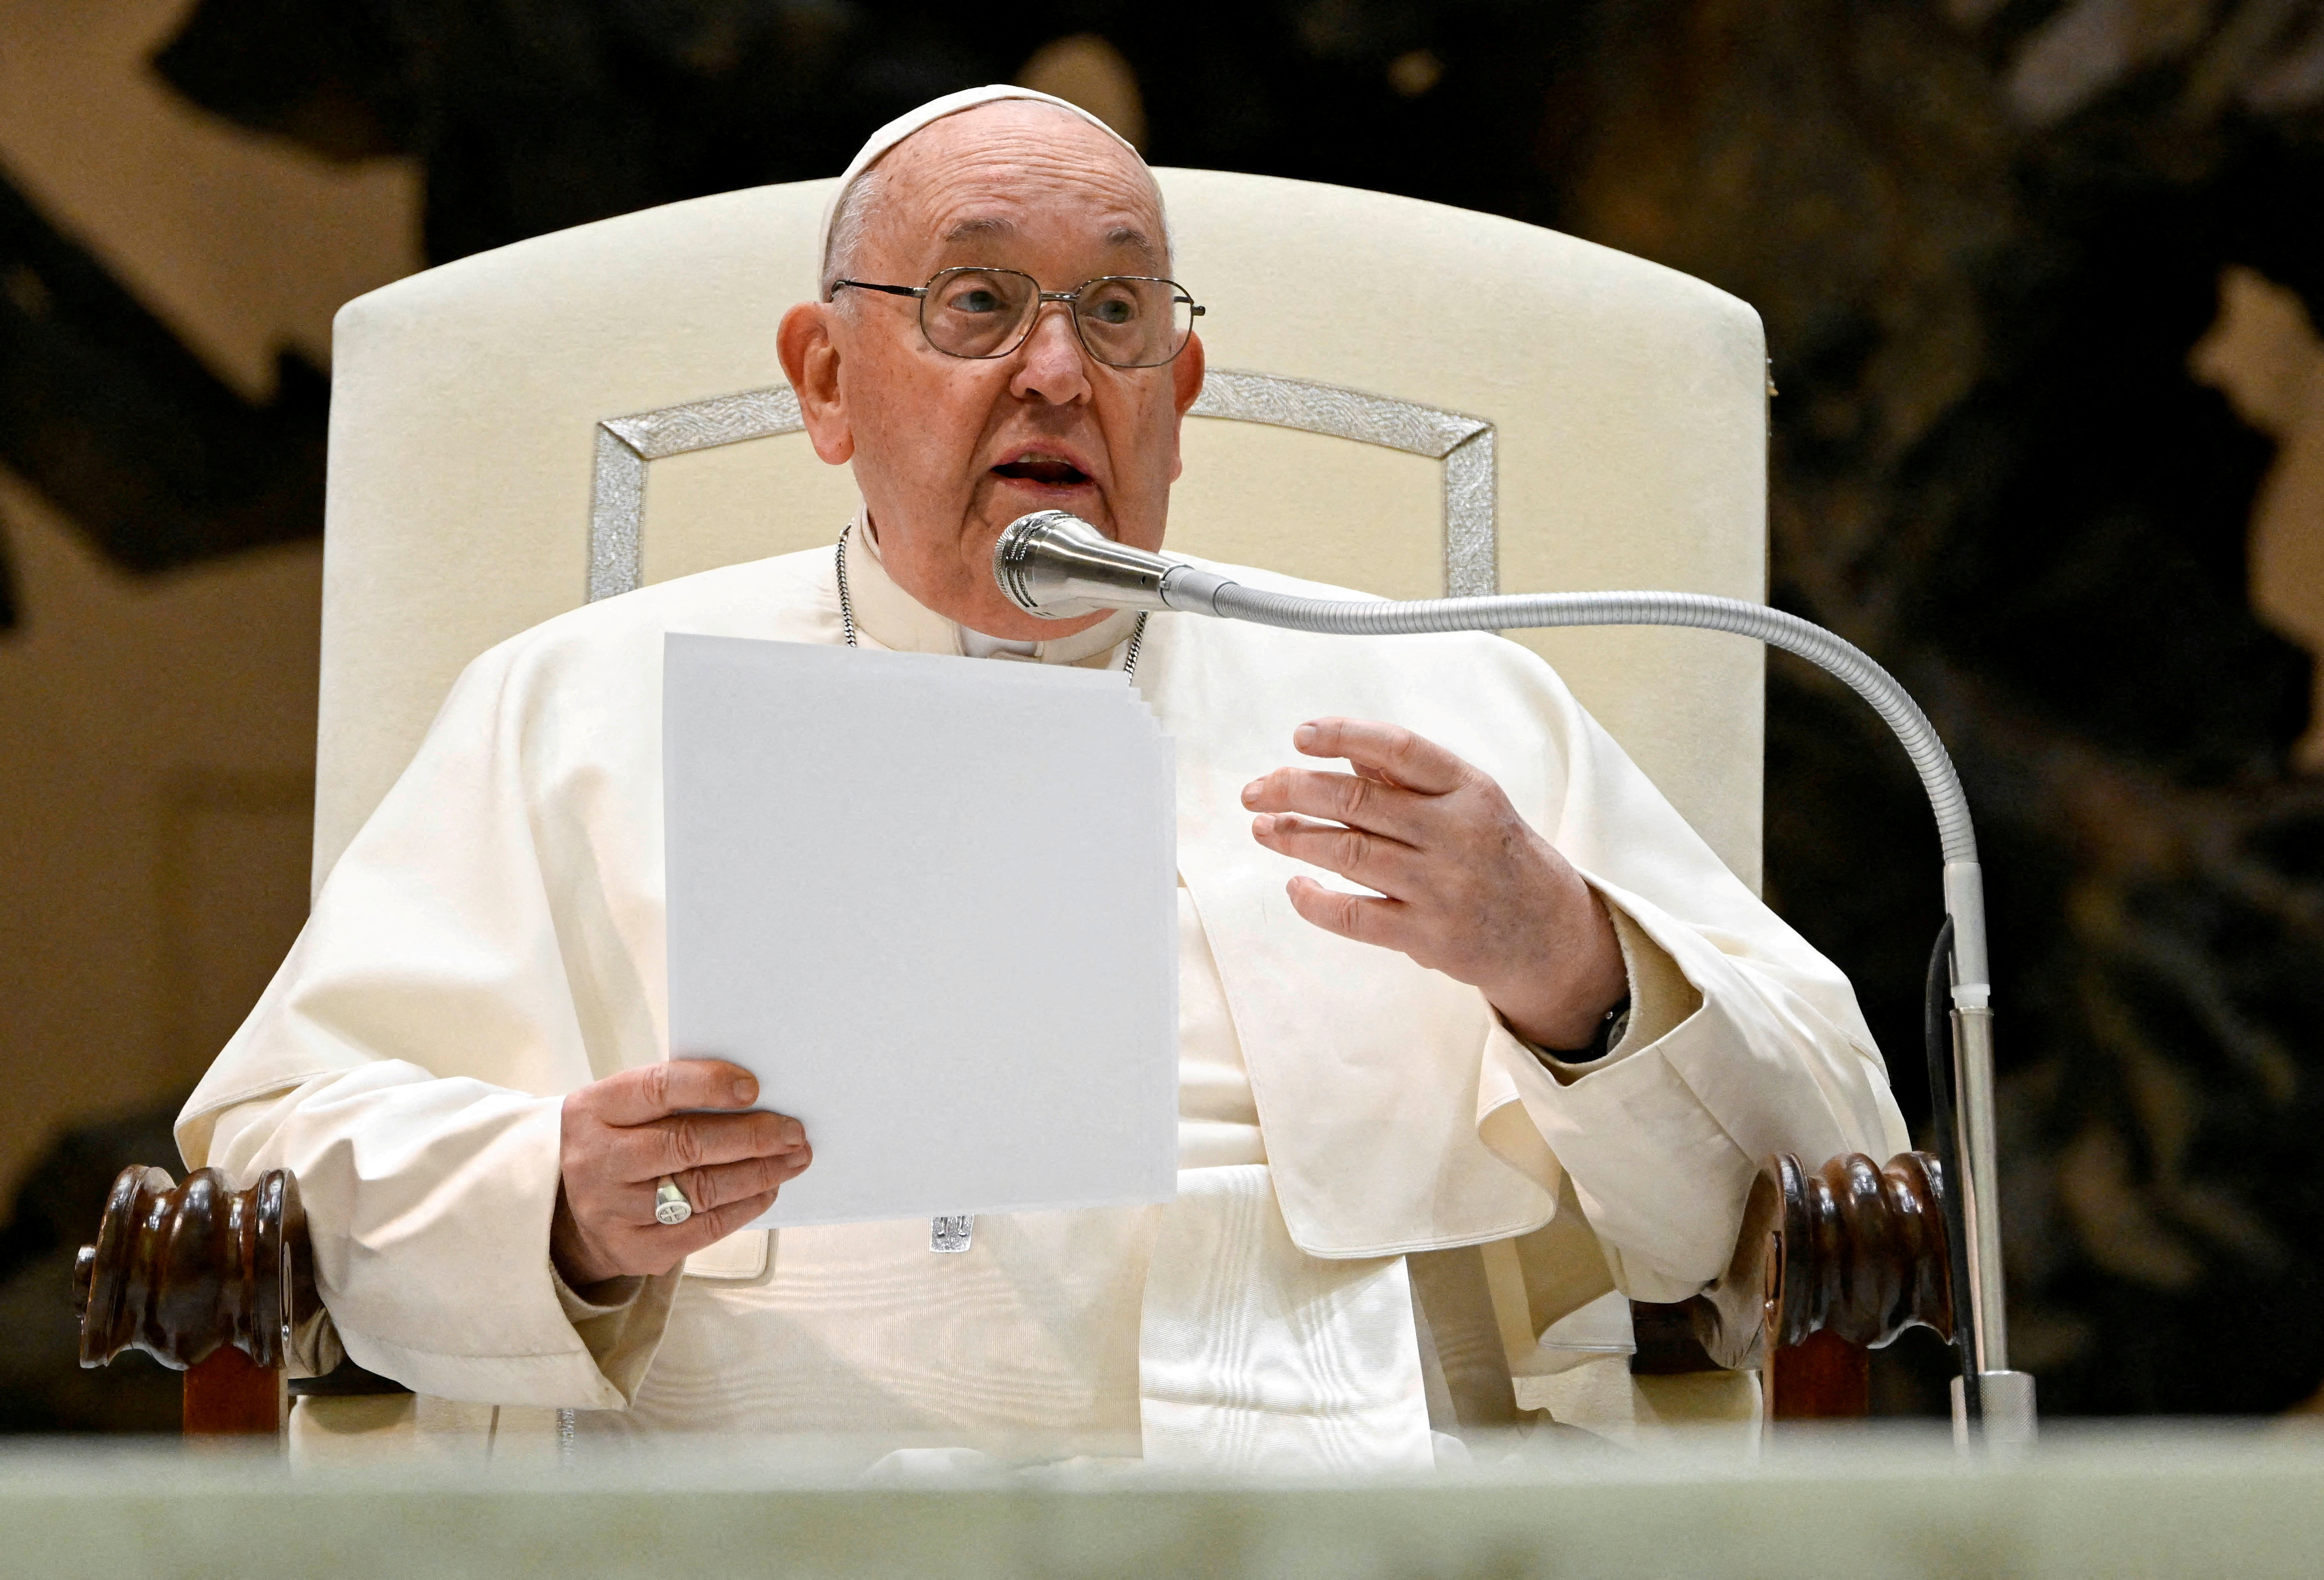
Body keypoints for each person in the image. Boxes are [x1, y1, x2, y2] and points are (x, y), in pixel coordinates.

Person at [180, 85, 1906, 1470]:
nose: (1059, 370)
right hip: (774, 1490)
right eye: (979, 303)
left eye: (1116, 315)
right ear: (826, 381)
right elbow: (272, 1158)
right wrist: (548, 1206)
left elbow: (1831, 1167)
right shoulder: (570, 705)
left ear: (1182, 389)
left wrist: (1580, 976)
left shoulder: (1440, 699)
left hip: (1355, 1479)